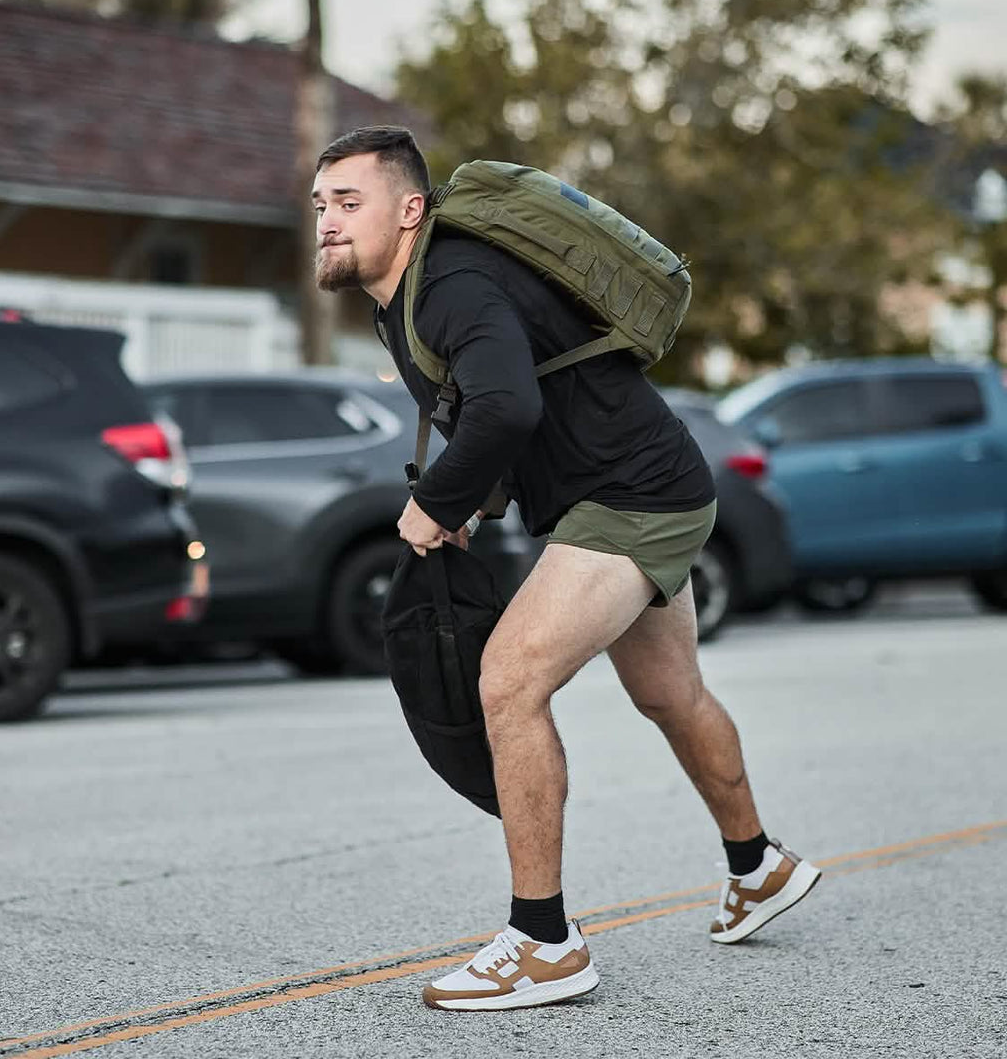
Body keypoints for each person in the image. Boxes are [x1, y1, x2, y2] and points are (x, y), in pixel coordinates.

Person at [311, 125, 820, 1012]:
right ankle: (760, 866)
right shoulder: (407, 292)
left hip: (632, 497)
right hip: (644, 482)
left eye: (349, 203)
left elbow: (507, 404)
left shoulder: (451, 282)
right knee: (670, 693)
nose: (327, 221)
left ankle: (543, 940)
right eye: (320, 205)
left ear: (410, 210)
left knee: (508, 681)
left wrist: (434, 501)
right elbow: (505, 400)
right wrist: (475, 500)